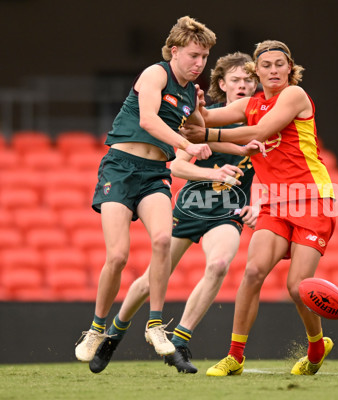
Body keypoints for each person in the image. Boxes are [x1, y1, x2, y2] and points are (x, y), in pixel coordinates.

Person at [87, 52, 261, 374]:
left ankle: (179, 343)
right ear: (221, 84)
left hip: (228, 208)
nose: (243, 85)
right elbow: (178, 164)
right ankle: (113, 333)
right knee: (149, 280)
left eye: (249, 80)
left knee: (220, 264)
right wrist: (212, 172)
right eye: (236, 80)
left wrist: (259, 204)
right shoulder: (202, 117)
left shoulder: (263, 124)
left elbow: (269, 169)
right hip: (191, 205)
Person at [181, 40, 337, 376]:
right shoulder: (251, 103)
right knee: (253, 272)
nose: (274, 70)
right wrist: (193, 109)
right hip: (276, 202)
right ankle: (235, 356)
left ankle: (316, 344)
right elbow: (203, 118)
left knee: (298, 286)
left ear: (290, 66)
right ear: (257, 71)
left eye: (280, 64)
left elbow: (263, 130)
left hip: (313, 198)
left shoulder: (294, 96)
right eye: (266, 65)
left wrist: (204, 131)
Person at [74, 16, 216, 364]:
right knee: (118, 256)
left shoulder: (187, 90)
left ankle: (154, 325)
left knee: (163, 241)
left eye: (204, 57)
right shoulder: (156, 74)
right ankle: (96, 328)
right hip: (121, 168)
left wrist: (197, 108)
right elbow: (149, 120)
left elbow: (199, 125)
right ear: (175, 51)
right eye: (193, 55)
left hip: (155, 173)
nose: (199, 64)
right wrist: (188, 144)